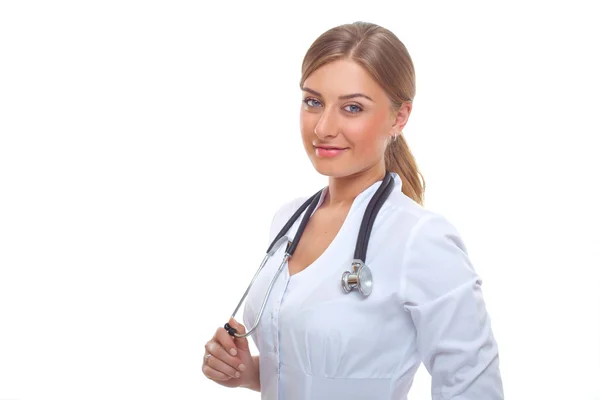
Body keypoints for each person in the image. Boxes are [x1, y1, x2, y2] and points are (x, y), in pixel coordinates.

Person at [202, 21, 503, 399]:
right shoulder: (288, 221)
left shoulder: (421, 240)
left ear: (399, 117)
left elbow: (474, 387)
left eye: (352, 108)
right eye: (313, 102)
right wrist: (249, 373)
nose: (324, 127)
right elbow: (320, 374)